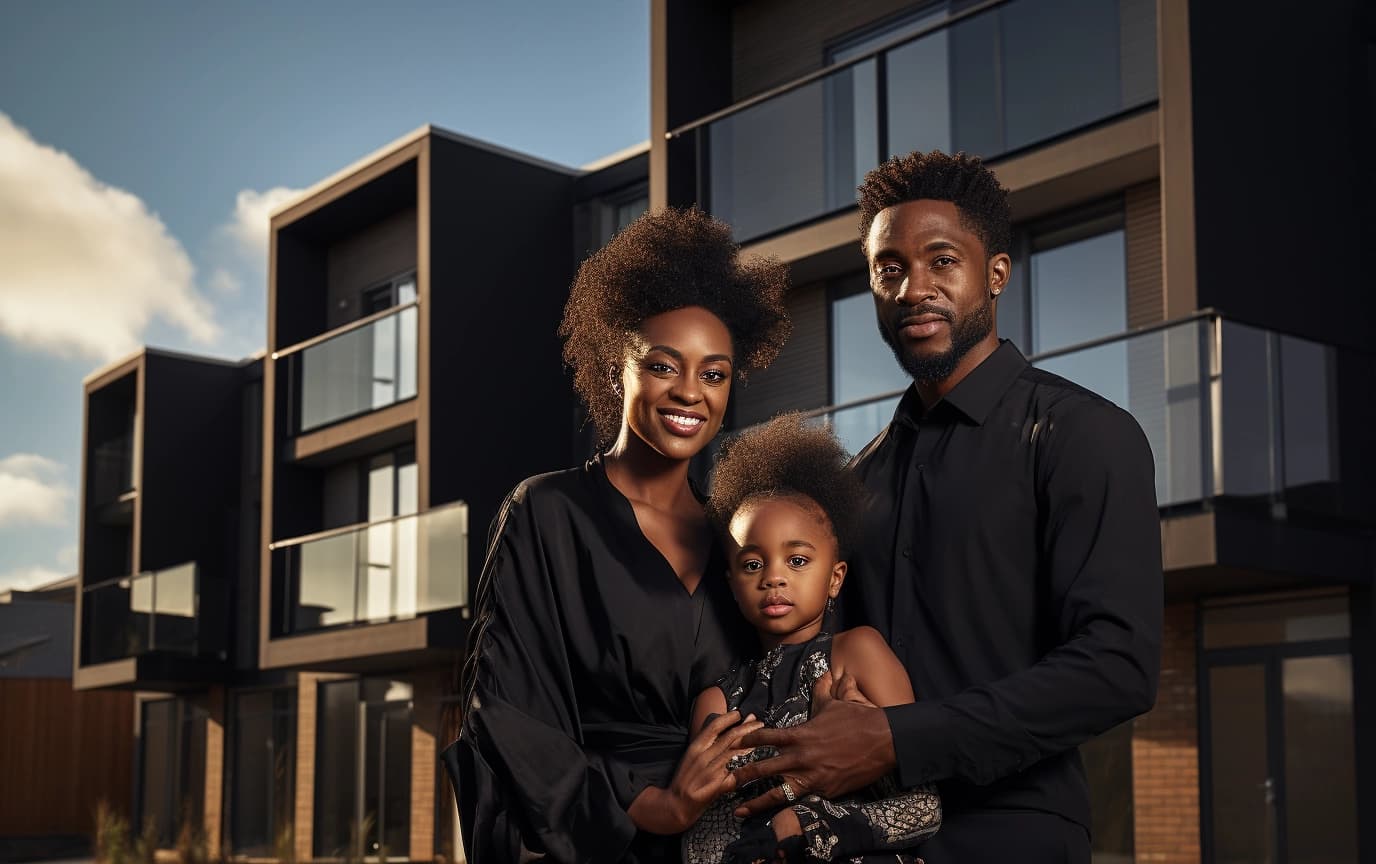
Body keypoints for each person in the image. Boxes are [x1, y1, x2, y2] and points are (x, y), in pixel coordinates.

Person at [730, 151, 1163, 863]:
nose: (912, 289)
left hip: (1015, 837)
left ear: (996, 273)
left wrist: (900, 739)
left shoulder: (1084, 434)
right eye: (888, 268)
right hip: (862, 843)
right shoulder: (854, 485)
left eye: (941, 261)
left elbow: (1116, 665)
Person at [445, 207, 792, 863]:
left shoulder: (737, 540)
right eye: (663, 366)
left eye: (714, 374)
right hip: (599, 837)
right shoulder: (547, 512)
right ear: (614, 369)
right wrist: (655, 805)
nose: (690, 393)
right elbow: (508, 712)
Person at [682, 414, 940, 864]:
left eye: (797, 560)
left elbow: (923, 808)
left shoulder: (858, 653)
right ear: (733, 584)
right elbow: (703, 840)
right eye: (752, 564)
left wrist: (801, 824)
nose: (774, 577)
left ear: (835, 577)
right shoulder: (717, 703)